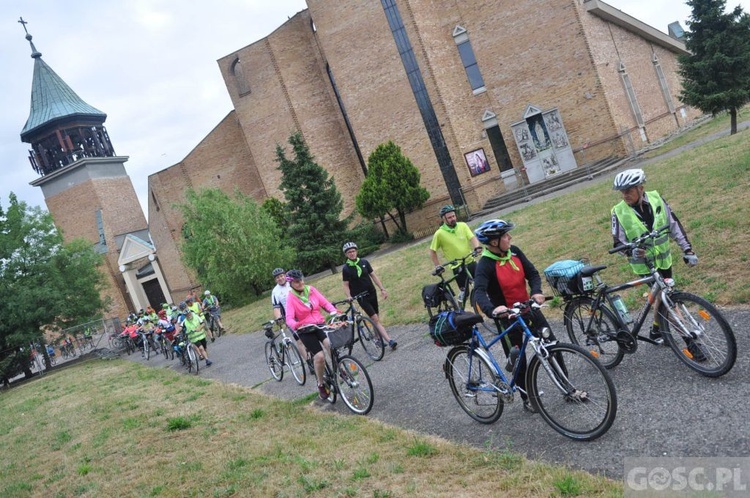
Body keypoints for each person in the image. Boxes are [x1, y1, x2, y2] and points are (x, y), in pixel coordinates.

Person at [472, 219, 557, 414]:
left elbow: (533, 273)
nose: (509, 237)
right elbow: (479, 292)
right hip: (508, 319)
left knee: (551, 345)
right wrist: (493, 310)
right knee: (520, 360)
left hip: (529, 309)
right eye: (505, 236)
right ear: (494, 242)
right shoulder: (485, 264)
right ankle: (527, 399)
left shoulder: (515, 251)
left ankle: (567, 387)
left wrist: (536, 291)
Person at [611, 168, 698, 346]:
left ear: (640, 188)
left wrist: (687, 250)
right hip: (645, 266)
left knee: (662, 296)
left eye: (629, 190)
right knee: (667, 301)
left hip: (664, 260)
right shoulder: (618, 211)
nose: (625, 195)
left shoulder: (657, 199)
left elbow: (674, 226)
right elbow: (617, 244)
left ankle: (656, 330)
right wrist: (630, 251)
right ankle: (690, 341)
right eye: (622, 191)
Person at [284, 269, 341, 400]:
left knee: (331, 345)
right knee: (320, 357)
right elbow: (289, 318)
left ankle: (339, 368)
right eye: (296, 282)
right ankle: (320, 384)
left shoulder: (311, 290)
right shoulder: (291, 298)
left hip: (319, 324)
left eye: (301, 280)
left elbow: (325, 303)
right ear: (291, 284)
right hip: (305, 329)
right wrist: (296, 324)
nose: (300, 283)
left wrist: (333, 311)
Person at [341, 242, 397, 350]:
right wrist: (349, 296)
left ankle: (376, 339)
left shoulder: (364, 262)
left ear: (356, 251)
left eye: (353, 251)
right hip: (360, 297)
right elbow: (346, 284)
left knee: (376, 318)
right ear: (346, 254)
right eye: (349, 252)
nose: (352, 254)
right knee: (375, 318)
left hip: (372, 292)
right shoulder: (346, 269)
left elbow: (373, 276)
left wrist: (382, 289)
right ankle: (389, 340)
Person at [429, 205, 482, 302]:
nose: (453, 219)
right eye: (449, 217)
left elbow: (472, 238)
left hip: (470, 261)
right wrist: (437, 266)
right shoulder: (439, 233)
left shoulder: (463, 225)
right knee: (465, 293)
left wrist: (476, 247)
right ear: (443, 219)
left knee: (482, 284)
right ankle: (459, 307)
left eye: (453, 216)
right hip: (457, 266)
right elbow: (432, 251)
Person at [270, 267, 308, 360]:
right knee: (299, 340)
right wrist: (279, 319)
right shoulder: (275, 291)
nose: (280, 278)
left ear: (285, 275)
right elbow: (276, 308)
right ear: (275, 280)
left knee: (309, 334)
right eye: (278, 277)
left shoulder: (292, 283)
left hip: (302, 313)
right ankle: (308, 361)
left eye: (282, 276)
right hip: (290, 317)